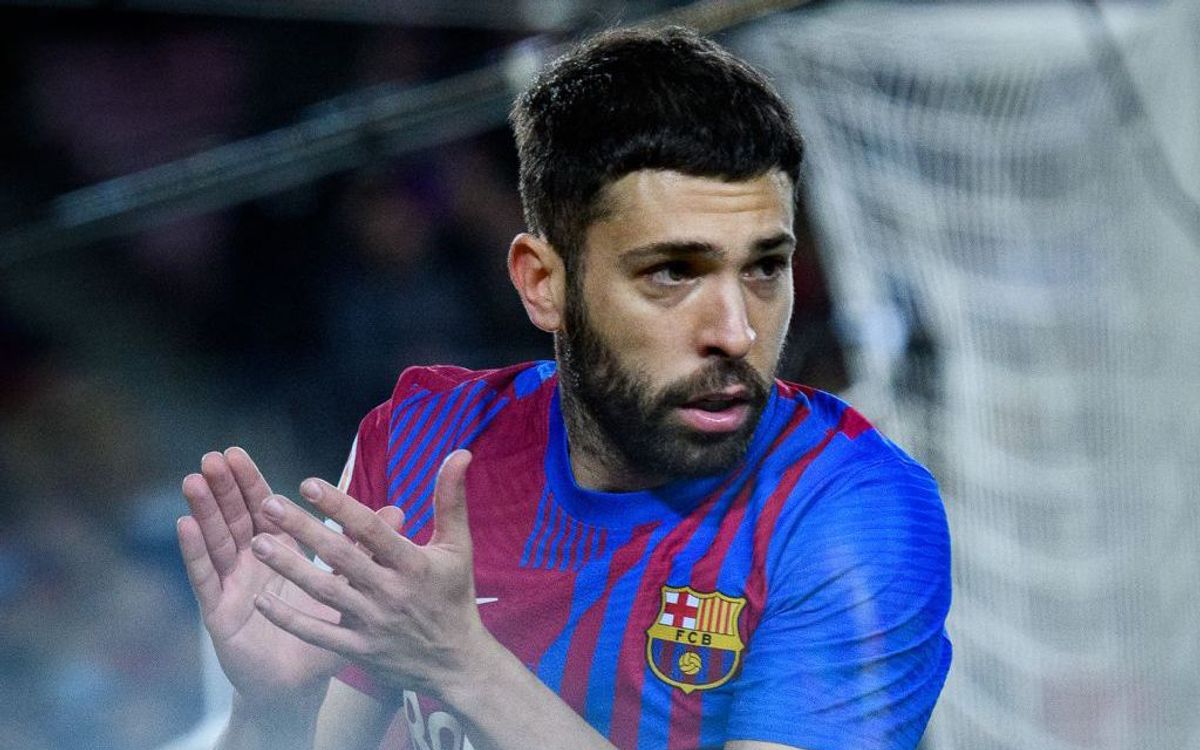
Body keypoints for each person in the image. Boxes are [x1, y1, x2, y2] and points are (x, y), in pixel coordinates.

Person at [177, 26, 951, 750]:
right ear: (543, 283)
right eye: (673, 273)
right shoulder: (421, 440)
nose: (736, 331)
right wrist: (271, 710)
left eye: (764, 268)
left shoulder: (846, 507)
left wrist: (463, 665)